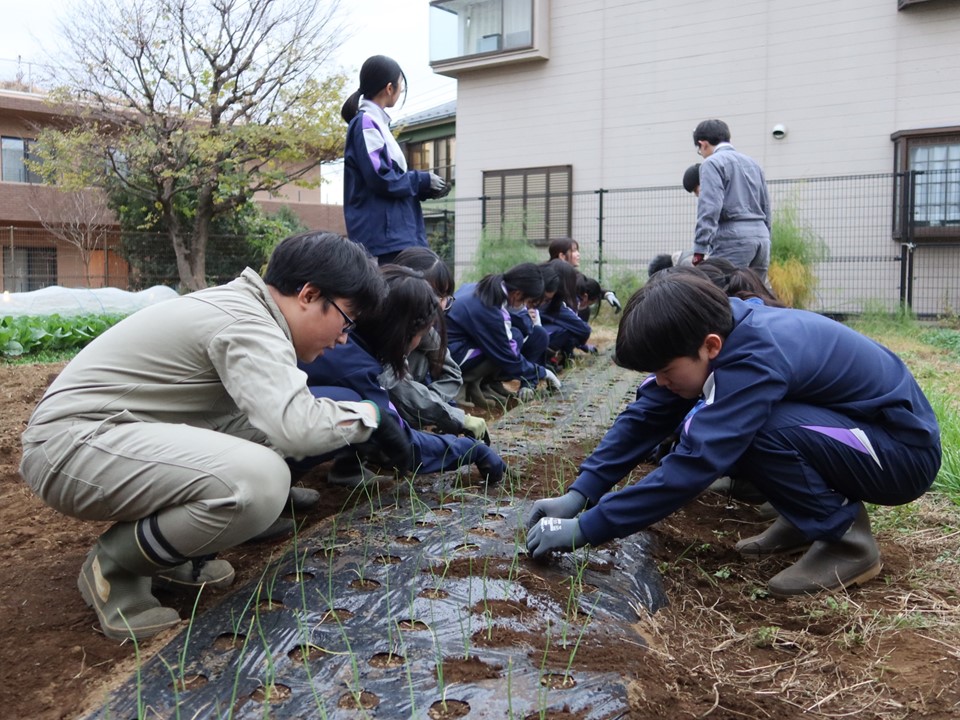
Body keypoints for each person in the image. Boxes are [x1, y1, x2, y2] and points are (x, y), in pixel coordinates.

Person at [17, 231, 421, 641]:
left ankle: (161, 551)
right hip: (71, 446)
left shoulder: (249, 310)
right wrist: (371, 415)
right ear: (309, 294)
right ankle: (116, 566)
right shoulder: (248, 324)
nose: (343, 338)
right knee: (261, 481)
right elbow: (297, 429)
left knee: (272, 433)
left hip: (111, 432)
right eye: (346, 320)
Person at [525, 272, 941, 597]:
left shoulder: (756, 356)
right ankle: (805, 519)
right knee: (729, 419)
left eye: (666, 371)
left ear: (709, 346)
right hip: (859, 434)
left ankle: (848, 543)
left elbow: (695, 463)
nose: (660, 381)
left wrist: (587, 528)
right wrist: (581, 493)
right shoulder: (720, 336)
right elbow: (647, 413)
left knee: (751, 430)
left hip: (900, 453)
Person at [299, 265, 506, 486]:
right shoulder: (358, 371)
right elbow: (407, 446)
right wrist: (471, 450)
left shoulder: (352, 341)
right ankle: (276, 491)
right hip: (270, 448)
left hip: (271, 435)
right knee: (363, 411)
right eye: (422, 334)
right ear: (402, 331)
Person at [341, 55, 450, 264]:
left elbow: (389, 180)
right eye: (401, 86)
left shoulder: (374, 123)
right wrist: (422, 181)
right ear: (390, 88)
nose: (400, 92)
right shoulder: (366, 123)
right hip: (385, 240)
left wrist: (424, 189)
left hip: (394, 237)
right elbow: (381, 178)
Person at [385, 247, 488, 442]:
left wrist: (430, 404)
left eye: (445, 297)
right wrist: (450, 415)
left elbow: (452, 373)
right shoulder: (381, 326)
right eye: (434, 294)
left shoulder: (424, 326)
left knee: (423, 362)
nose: (441, 305)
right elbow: (393, 385)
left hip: (407, 399)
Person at [446, 263, 562, 406]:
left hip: (451, 347)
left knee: (513, 336)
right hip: (451, 357)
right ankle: (463, 386)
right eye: (526, 301)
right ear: (518, 294)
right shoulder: (490, 309)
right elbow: (509, 356)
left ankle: (482, 385)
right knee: (508, 345)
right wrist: (542, 372)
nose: (525, 306)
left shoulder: (484, 289)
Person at [691, 119, 772, 281]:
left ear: (703, 144)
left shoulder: (711, 163)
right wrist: (766, 237)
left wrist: (700, 249)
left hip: (733, 240)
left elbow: (710, 208)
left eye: (700, 150)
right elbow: (766, 206)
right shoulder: (753, 164)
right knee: (755, 295)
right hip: (761, 240)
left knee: (719, 295)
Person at [548, 237, 622, 319]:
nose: (578, 254)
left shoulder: (573, 274)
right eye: (574, 251)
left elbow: (587, 288)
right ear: (562, 256)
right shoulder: (550, 274)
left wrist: (607, 294)